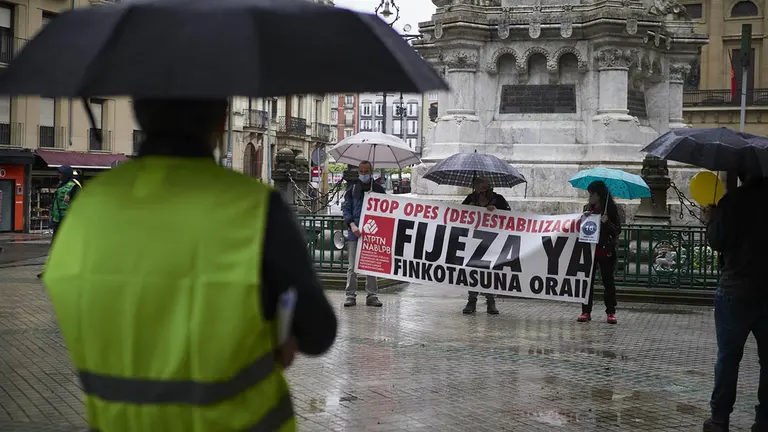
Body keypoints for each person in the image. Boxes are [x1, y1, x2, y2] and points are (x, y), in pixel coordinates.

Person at [42, 98, 338, 432]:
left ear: (140, 115)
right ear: (221, 121)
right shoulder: (254, 209)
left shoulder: (86, 210)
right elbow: (318, 332)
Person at [702, 173, 768, 432]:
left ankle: (719, 419)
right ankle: (764, 420)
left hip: (736, 290)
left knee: (728, 358)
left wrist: (712, 219)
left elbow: (719, 241)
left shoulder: (734, 201)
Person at [460, 177, 510, 315]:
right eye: (478, 185)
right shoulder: (471, 198)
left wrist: (497, 211)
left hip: (492, 241)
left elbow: (511, 217)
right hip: (473, 241)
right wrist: (471, 208)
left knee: (490, 270)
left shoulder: (498, 199)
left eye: (484, 185)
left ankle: (491, 301)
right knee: (473, 270)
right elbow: (459, 214)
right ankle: (472, 300)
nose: (481, 188)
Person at [577, 181, 622, 324]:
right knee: (587, 282)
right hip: (590, 251)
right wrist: (584, 218)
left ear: (599, 195)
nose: (590, 197)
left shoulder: (611, 210)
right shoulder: (587, 209)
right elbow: (580, 229)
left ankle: (611, 311)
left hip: (605, 251)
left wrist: (607, 222)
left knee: (608, 282)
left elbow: (617, 230)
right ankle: (586, 311)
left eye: (592, 194)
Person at [342, 160, 385, 307]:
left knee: (371, 265)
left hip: (372, 235)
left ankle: (372, 295)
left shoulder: (379, 190)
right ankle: (350, 295)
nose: (364, 174)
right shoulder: (352, 189)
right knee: (352, 266)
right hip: (354, 233)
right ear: (358, 172)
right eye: (362, 171)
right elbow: (346, 209)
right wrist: (352, 225)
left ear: (371, 172)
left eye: (367, 171)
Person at [37, 165, 82, 278]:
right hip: (58, 221)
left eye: (61, 173)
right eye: (59, 173)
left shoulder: (74, 186)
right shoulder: (61, 185)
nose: (59, 175)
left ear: (66, 174)